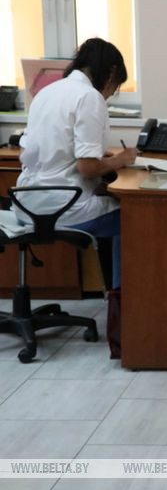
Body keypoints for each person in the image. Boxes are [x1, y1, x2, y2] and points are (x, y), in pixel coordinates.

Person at [15, 38, 136, 357]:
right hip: (62, 205)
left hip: (27, 202)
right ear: (111, 72)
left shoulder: (47, 92)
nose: (110, 94)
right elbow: (87, 167)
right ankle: (124, 316)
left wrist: (102, 164)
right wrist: (122, 160)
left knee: (116, 205)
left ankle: (117, 302)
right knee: (134, 218)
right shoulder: (89, 97)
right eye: (115, 87)